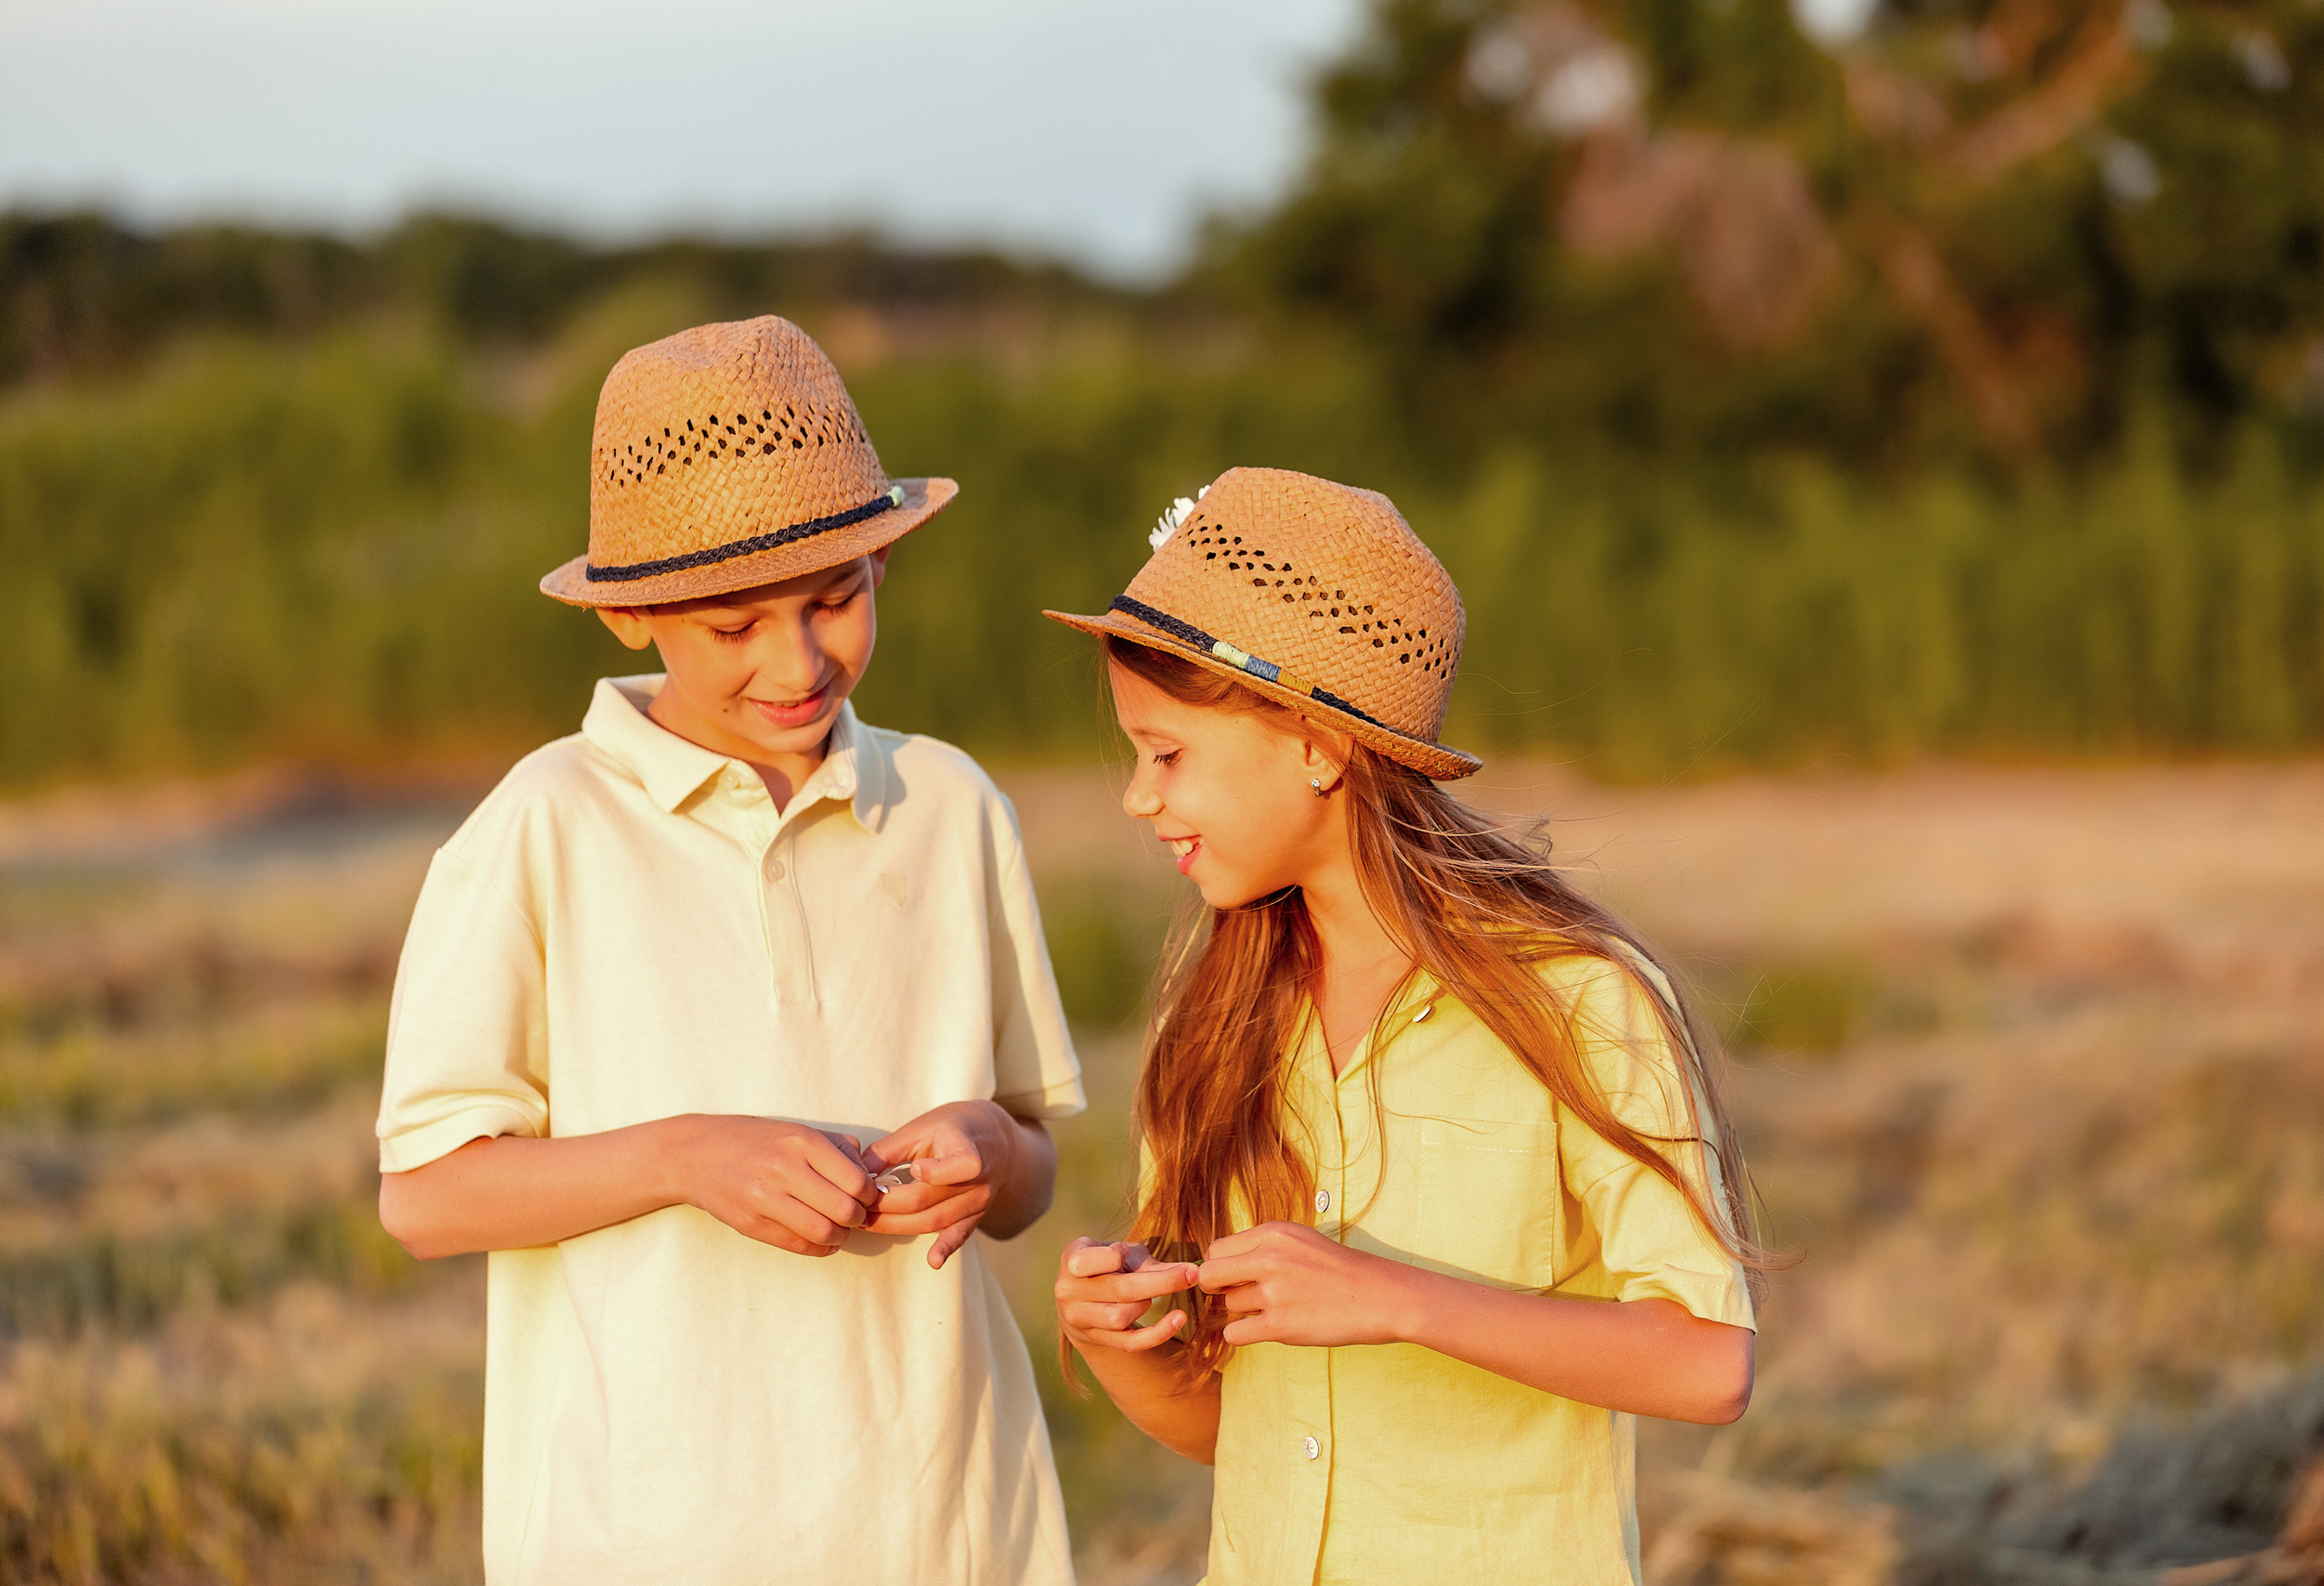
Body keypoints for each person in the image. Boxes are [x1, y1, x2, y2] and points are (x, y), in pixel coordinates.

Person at [375, 316, 1083, 1586]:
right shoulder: (544, 822)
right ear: (634, 614)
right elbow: (426, 1194)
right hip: (650, 1532)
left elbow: (1031, 1164)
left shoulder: (953, 804)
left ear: (881, 565)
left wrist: (990, 1149)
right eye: (735, 624)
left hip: (941, 1518)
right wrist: (687, 1154)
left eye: (835, 600)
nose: (798, 659)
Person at [1045, 466, 1772, 1586]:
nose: (1138, 797)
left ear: (1313, 744)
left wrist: (1395, 1299)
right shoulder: (1216, 1025)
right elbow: (1242, 1439)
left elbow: (1708, 1363)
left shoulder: (1578, 996)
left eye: (1168, 753)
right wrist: (1124, 1350)